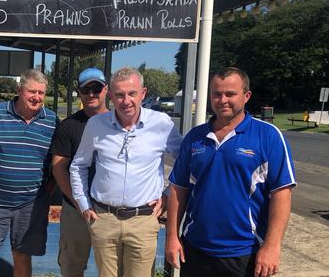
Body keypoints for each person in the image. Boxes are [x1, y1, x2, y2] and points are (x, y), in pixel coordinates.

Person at [166, 67, 296, 277]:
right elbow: (178, 190)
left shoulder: (268, 136)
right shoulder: (195, 137)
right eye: (216, 94)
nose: (222, 100)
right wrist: (172, 236)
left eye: (230, 94)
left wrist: (272, 246)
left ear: (246, 96)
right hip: (195, 249)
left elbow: (282, 193)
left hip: (245, 252)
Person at [70, 66, 182, 277]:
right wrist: (83, 203)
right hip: (104, 219)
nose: (126, 101)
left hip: (143, 220)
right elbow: (79, 165)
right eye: (119, 95)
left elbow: (185, 162)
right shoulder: (96, 124)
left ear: (143, 93)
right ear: (110, 96)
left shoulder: (161, 124)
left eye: (132, 94)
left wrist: (167, 195)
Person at [0, 69, 59, 277]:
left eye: (41, 93)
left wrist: (51, 186)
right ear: (20, 90)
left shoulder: (52, 121)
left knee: (22, 255)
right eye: (31, 91)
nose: (37, 97)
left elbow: (60, 158)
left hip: (30, 204)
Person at [50, 68, 109, 277]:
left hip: (111, 211)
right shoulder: (69, 126)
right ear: (79, 92)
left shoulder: (119, 123)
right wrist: (79, 202)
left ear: (106, 90)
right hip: (76, 210)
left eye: (96, 88)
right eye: (86, 89)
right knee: (72, 266)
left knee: (112, 268)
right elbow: (59, 169)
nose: (91, 94)